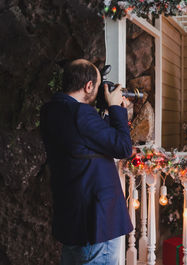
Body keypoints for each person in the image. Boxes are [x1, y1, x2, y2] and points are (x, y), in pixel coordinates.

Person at [40, 59, 133, 265]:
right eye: (98, 87)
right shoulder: (81, 114)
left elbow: (88, 141)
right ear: (88, 86)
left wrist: (106, 113)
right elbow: (123, 148)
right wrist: (117, 108)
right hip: (98, 223)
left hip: (73, 220)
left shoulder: (51, 111)